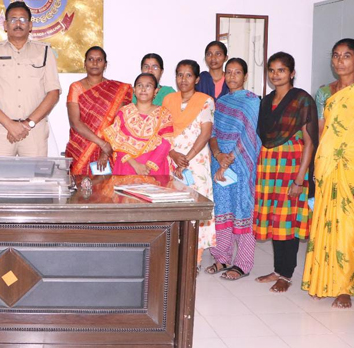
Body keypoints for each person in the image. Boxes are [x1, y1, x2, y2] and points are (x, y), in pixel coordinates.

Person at [303, 38, 354, 312]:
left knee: (352, 228)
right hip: (327, 167)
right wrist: (316, 169)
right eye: (336, 55)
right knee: (326, 224)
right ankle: (325, 282)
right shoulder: (324, 93)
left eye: (346, 56)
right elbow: (321, 135)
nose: (340, 61)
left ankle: (344, 286)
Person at [254, 52, 317, 293]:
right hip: (269, 164)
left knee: (288, 219)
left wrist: (300, 178)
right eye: (272, 70)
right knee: (275, 219)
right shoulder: (266, 100)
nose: (275, 74)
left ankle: (287, 274)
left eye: (281, 70)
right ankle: (277, 270)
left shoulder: (302, 99)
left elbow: (310, 142)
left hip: (292, 164)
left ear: (292, 73)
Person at [0, 1, 62, 157]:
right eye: (13, 19)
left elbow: (53, 93)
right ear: (5, 25)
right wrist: (10, 125)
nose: (18, 23)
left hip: (33, 131)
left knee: (35, 180)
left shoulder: (44, 51)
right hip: (1, 130)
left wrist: (27, 124)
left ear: (30, 25)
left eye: (22, 20)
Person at [206, 58, 261, 280]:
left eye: (237, 72)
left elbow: (249, 132)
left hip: (242, 161)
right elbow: (212, 134)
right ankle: (221, 258)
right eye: (228, 72)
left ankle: (243, 264)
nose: (232, 76)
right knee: (221, 210)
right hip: (219, 161)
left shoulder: (252, 101)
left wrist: (229, 159)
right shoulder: (220, 102)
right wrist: (219, 156)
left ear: (245, 76)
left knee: (242, 209)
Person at [163, 60, 215, 270]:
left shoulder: (206, 101)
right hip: (171, 160)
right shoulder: (168, 100)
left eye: (188, 75)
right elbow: (162, 132)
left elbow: (206, 133)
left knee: (196, 206)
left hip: (196, 162)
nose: (183, 80)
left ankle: (195, 257)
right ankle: (173, 254)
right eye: (179, 75)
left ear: (197, 79)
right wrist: (174, 154)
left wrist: (187, 157)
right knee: (173, 206)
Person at [66, 46, 132, 175]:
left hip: (108, 147)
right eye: (90, 59)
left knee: (105, 190)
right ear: (84, 63)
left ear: (105, 64)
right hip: (81, 146)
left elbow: (117, 124)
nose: (95, 63)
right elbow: (75, 122)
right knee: (80, 190)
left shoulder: (117, 90)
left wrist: (105, 150)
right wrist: (101, 143)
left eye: (99, 60)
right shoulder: (76, 87)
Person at [101, 73, 173, 175]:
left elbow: (166, 142)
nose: (143, 89)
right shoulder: (125, 112)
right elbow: (116, 142)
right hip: (128, 166)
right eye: (139, 85)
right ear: (134, 90)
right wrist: (135, 165)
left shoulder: (164, 114)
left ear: (156, 91)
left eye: (148, 86)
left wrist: (148, 167)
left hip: (154, 168)